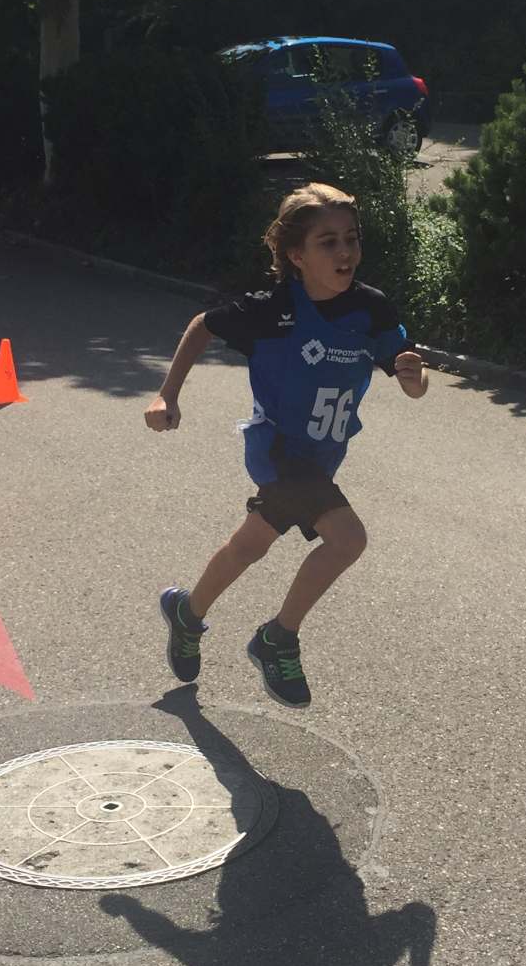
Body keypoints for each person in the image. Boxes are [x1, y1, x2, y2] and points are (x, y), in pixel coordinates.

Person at [145, 182, 428, 707]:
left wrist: (414, 378)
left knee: (249, 546)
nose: (345, 252)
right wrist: (167, 394)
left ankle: (187, 612)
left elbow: (408, 373)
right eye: (328, 242)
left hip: (322, 456)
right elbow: (202, 326)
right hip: (277, 450)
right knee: (347, 540)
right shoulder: (273, 311)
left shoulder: (371, 309)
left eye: (351, 238)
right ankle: (277, 638)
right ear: (297, 255)